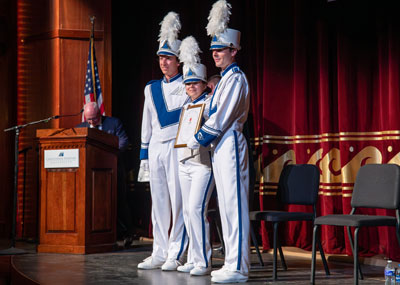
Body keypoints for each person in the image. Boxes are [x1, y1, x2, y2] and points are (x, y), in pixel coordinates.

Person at [187, 0, 250, 283]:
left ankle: (239, 267)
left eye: (220, 49)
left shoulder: (236, 79)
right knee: (225, 205)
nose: (215, 54)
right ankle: (231, 262)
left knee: (234, 205)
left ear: (234, 51)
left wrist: (197, 139)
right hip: (220, 146)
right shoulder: (223, 80)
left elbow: (220, 117)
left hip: (231, 143)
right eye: (213, 50)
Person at [137, 11, 189, 271]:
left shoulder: (188, 86)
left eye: (168, 58)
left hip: (177, 148)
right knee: (158, 202)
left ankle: (176, 251)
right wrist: (144, 156)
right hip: (156, 148)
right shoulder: (151, 88)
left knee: (178, 201)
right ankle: (158, 250)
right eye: (160, 57)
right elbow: (147, 123)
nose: (163, 62)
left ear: (178, 61)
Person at [175, 36, 215, 276]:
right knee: (188, 211)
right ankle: (193, 257)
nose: (191, 87)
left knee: (196, 209)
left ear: (203, 84)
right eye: (188, 84)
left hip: (202, 164)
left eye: (195, 83)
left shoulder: (209, 104)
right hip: (184, 163)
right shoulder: (185, 106)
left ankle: (204, 261)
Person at [76, 101, 133, 245]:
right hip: (89, 174)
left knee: (119, 202)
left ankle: (127, 234)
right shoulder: (80, 128)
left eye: (94, 119)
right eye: (88, 119)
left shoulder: (113, 123)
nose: (91, 122)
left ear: (99, 114)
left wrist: (108, 155)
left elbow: (123, 142)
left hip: (113, 171)